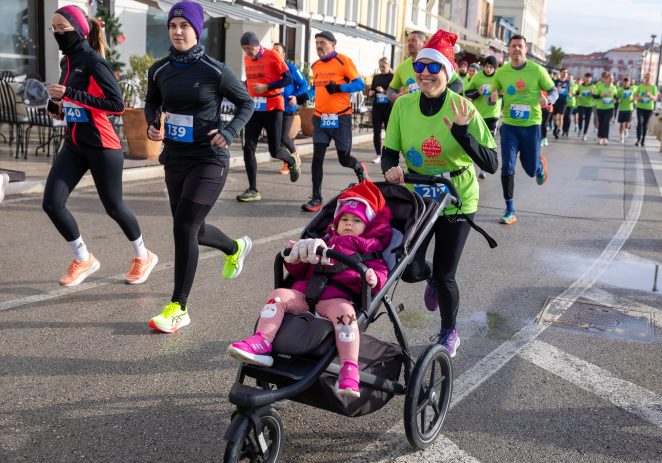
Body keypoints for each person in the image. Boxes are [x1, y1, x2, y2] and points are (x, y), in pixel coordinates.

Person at [381, 30, 498, 357]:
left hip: (457, 197)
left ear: (448, 72)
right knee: (410, 268)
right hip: (419, 198)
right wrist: (389, 169)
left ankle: (449, 332)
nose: (426, 74)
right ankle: (428, 277)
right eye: (420, 67)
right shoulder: (403, 106)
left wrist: (462, 134)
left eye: (434, 68)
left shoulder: (463, 107)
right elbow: (389, 152)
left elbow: (490, 162)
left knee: (448, 274)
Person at [144, 0, 254, 333]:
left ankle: (179, 306)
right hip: (175, 158)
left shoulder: (215, 70)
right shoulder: (159, 69)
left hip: (210, 159)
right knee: (193, 227)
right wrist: (153, 122)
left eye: (184, 26)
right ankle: (235, 247)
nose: (178, 32)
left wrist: (229, 131)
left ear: (197, 29)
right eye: (173, 26)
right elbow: (152, 101)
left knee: (184, 228)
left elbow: (246, 102)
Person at [228, 180, 392, 398]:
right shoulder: (323, 240)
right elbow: (298, 271)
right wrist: (294, 256)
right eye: (344, 219)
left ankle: (349, 367)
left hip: (338, 299)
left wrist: (373, 278)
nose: (349, 223)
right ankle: (262, 341)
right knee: (278, 296)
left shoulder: (371, 250)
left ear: (367, 225)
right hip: (307, 293)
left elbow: (381, 272)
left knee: (347, 316)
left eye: (356, 220)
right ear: (336, 221)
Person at [43, 5, 157, 287]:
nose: (57, 33)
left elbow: (116, 105)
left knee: (114, 207)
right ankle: (83, 258)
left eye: (62, 28)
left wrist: (70, 93)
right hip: (74, 144)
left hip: (102, 145)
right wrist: (58, 106)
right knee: (52, 204)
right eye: (53, 29)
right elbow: (73, 103)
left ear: (79, 30)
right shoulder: (65, 62)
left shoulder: (94, 62)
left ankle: (143, 255)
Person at [295, 31, 368, 212]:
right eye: (317, 43)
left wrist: (340, 87)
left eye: (323, 42)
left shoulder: (344, 61)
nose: (319, 46)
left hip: (341, 117)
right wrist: (305, 95)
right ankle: (316, 198)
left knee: (344, 158)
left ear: (333, 44)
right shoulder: (316, 66)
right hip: (320, 118)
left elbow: (360, 85)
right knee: (317, 157)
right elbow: (316, 88)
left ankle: (358, 167)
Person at [491, 34, 557, 225]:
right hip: (510, 126)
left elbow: (554, 90)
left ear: (525, 49)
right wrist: (492, 98)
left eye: (520, 46)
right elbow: (494, 93)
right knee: (507, 167)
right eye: (513, 46)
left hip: (531, 127)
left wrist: (549, 100)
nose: (517, 49)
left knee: (529, 170)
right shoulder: (502, 72)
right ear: (508, 49)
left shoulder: (537, 70)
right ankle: (510, 209)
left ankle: (538, 165)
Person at [236, 32, 300, 202]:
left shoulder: (273, 56)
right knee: (248, 147)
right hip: (255, 109)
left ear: (258, 45)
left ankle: (292, 161)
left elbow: (288, 80)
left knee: (275, 149)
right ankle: (253, 189)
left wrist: (267, 87)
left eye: (250, 48)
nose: (248, 52)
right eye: (244, 49)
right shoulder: (247, 59)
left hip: (273, 107)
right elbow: (251, 80)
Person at [387, 31, 464, 102]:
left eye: (414, 40)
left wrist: (442, 98)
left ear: (424, 43)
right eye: (408, 41)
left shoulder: (438, 64)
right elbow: (391, 90)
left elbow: (458, 83)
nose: (409, 43)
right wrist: (396, 97)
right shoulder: (402, 67)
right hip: (410, 112)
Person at [272, 43, 309, 175]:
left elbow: (304, 84)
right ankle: (287, 163)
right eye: (272, 51)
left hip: (288, 108)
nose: (274, 53)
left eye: (277, 51)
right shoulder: (271, 68)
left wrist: (296, 96)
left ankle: (294, 156)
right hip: (274, 107)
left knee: (283, 137)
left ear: (283, 54)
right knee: (277, 138)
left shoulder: (291, 68)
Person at [464, 55, 501, 179]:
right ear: (483, 67)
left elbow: (505, 92)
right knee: (475, 141)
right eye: (486, 67)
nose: (488, 69)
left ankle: (483, 168)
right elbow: (467, 93)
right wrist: (477, 92)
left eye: (491, 67)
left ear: (495, 68)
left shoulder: (499, 77)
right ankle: (470, 165)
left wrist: (498, 94)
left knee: (488, 141)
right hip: (478, 114)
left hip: (493, 115)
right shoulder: (477, 76)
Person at [368, 57, 393, 164]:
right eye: (380, 66)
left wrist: (384, 90)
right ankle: (378, 154)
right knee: (376, 132)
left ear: (388, 65)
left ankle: (389, 154)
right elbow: (372, 90)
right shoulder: (376, 77)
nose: (382, 68)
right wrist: (371, 93)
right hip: (377, 107)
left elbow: (395, 92)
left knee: (389, 132)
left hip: (388, 107)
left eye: (384, 66)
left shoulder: (393, 77)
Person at [634, 72, 659, 147]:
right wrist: (638, 98)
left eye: (649, 78)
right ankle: (638, 139)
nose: (647, 79)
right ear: (644, 78)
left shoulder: (653, 87)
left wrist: (649, 95)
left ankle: (643, 140)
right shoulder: (640, 86)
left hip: (648, 109)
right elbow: (635, 97)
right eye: (646, 77)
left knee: (645, 125)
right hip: (640, 107)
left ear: (651, 79)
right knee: (639, 123)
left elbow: (655, 98)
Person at [594, 72, 617, 145]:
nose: (611, 80)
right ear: (605, 79)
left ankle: (605, 138)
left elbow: (616, 98)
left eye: (612, 79)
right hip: (600, 107)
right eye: (609, 79)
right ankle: (600, 137)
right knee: (601, 123)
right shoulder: (600, 86)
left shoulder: (614, 87)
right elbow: (595, 96)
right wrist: (600, 95)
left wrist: (615, 100)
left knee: (606, 122)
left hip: (610, 107)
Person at [616, 77, 636, 144]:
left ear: (629, 83)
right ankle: (621, 137)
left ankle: (626, 130)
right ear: (623, 83)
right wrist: (618, 100)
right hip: (622, 108)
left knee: (627, 124)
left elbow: (635, 96)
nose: (625, 84)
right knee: (622, 124)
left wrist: (634, 100)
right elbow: (617, 97)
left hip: (629, 108)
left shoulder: (632, 89)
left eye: (627, 83)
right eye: (624, 83)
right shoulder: (620, 90)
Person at [576, 73, 595, 141]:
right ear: (584, 78)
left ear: (591, 79)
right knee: (580, 117)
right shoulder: (581, 86)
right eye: (586, 78)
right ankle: (580, 129)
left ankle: (585, 134)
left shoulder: (593, 86)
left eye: (589, 78)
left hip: (589, 105)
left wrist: (592, 94)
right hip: (581, 104)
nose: (587, 79)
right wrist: (577, 95)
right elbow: (577, 94)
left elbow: (595, 96)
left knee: (587, 120)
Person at [552, 68, 571, 139]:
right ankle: (555, 127)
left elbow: (569, 90)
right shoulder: (556, 81)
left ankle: (558, 130)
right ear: (560, 73)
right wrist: (557, 89)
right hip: (556, 100)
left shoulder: (568, 82)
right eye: (563, 72)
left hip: (563, 101)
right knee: (554, 117)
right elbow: (552, 90)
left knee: (561, 116)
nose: (565, 74)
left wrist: (569, 94)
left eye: (566, 72)